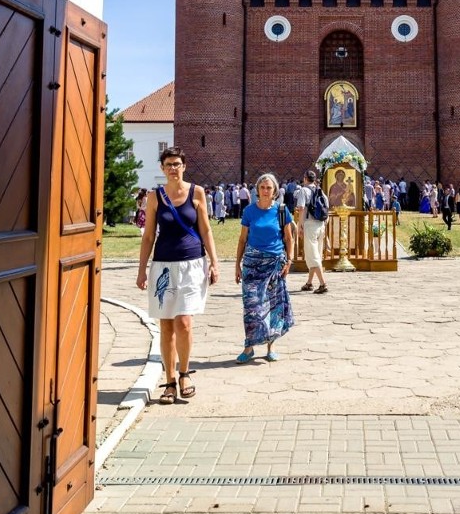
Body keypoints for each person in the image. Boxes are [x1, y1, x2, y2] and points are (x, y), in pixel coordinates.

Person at [136, 147, 219, 404]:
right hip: (163, 266)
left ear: (184, 166)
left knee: (184, 322)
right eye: (169, 164)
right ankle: (169, 381)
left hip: (192, 265)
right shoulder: (154, 197)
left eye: (177, 164)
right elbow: (149, 235)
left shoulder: (197, 192)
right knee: (166, 325)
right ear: (162, 168)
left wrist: (214, 263)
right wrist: (141, 270)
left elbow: (205, 231)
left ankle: (185, 373)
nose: (173, 168)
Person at [234, 172, 295, 362]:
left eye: (269, 187)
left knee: (273, 304)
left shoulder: (281, 211)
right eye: (262, 187)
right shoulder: (249, 211)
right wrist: (237, 265)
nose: (266, 190)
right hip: (252, 264)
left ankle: (271, 345)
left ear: (275, 190)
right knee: (251, 306)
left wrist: (289, 261)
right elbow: (243, 239)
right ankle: (249, 346)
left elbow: (288, 238)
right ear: (257, 190)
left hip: (274, 264)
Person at [294, 168, 328, 293]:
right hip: (321, 225)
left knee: (313, 255)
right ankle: (309, 283)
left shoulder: (304, 190)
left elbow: (301, 208)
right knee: (316, 254)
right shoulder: (320, 191)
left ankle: (323, 283)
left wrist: (300, 226)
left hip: (309, 224)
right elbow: (327, 209)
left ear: (305, 178)